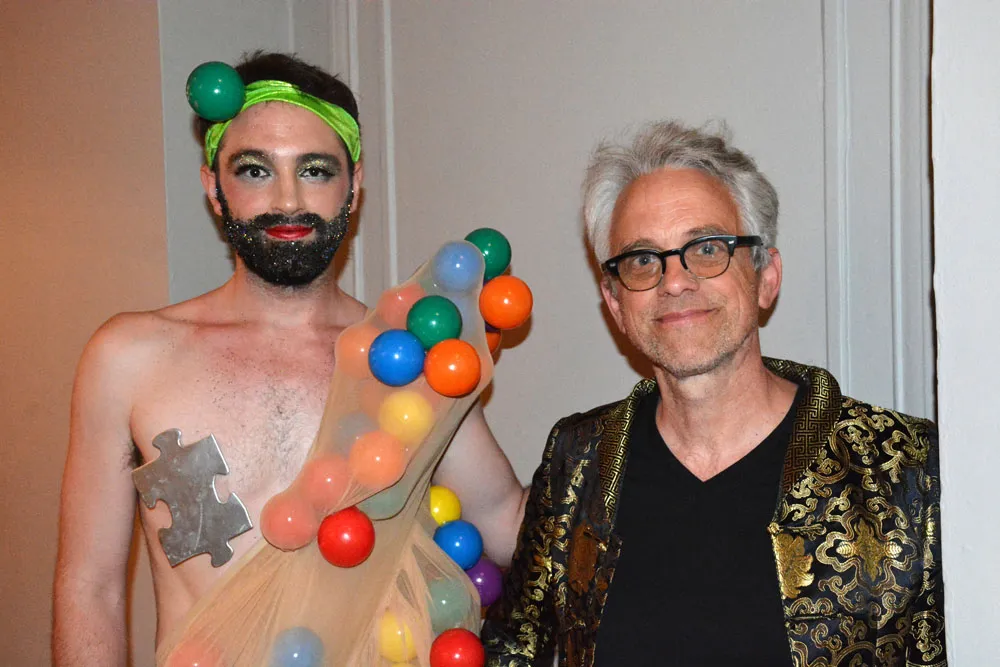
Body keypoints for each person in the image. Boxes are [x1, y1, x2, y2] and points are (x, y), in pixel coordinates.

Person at [52, 51, 527, 666]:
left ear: (353, 185)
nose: (287, 199)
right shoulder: (128, 358)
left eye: (315, 170)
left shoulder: (409, 358)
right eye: (254, 170)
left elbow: (510, 525)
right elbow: (89, 588)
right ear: (213, 186)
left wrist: (637, 431)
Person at [482, 121, 946, 666]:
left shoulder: (905, 466)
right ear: (616, 304)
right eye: (642, 259)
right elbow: (513, 650)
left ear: (765, 276)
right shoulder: (577, 460)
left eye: (706, 248)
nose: (674, 281)